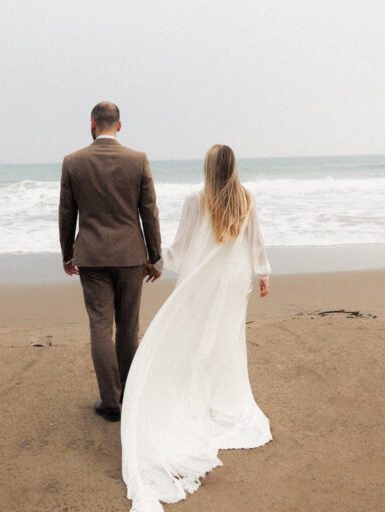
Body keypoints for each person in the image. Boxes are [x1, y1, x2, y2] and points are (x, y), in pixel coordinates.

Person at [121, 144, 272, 511]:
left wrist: (156, 263)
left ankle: (198, 393)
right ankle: (217, 396)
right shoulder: (247, 198)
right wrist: (263, 272)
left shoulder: (196, 199)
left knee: (195, 336)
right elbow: (255, 240)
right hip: (234, 280)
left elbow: (182, 245)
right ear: (233, 167)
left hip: (203, 279)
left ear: (208, 167)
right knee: (225, 340)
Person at [58, 101, 162, 423]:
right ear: (119, 125)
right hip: (130, 255)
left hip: (92, 256)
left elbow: (66, 212)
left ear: (92, 124)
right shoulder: (137, 160)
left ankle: (110, 402)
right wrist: (155, 256)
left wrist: (67, 253)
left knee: (101, 327)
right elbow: (149, 210)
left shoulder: (73, 162)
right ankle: (129, 395)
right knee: (128, 326)